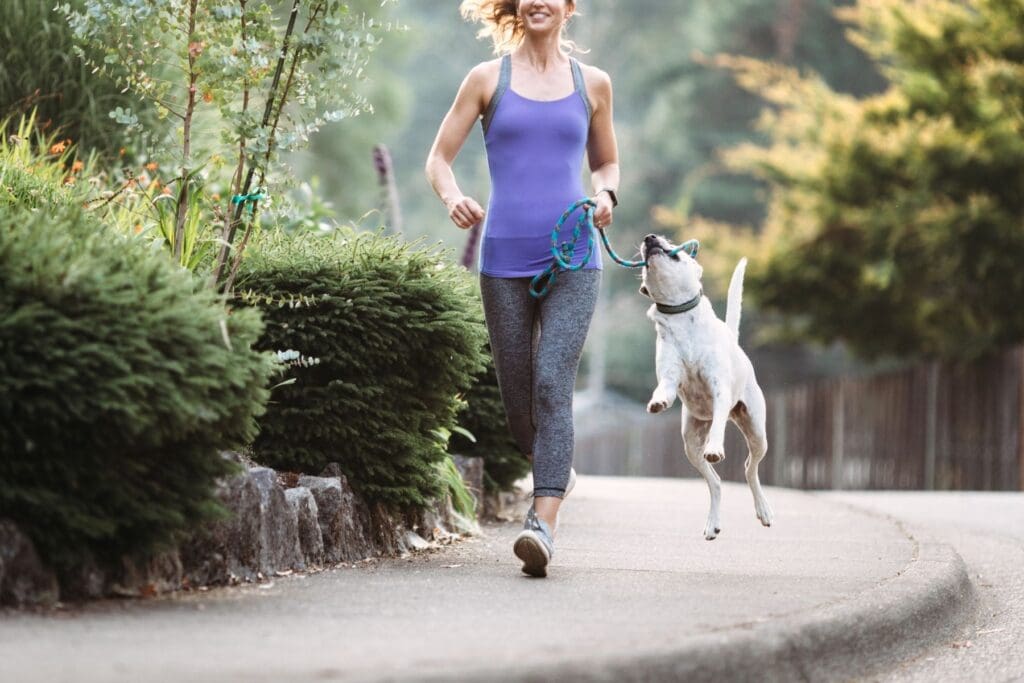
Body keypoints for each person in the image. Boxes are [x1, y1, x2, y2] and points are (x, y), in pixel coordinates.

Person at [425, 0, 619, 578]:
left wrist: (607, 196)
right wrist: (452, 196)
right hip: (504, 259)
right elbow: (439, 158)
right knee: (520, 403)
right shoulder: (487, 80)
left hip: (575, 256)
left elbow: (606, 163)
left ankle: (543, 524)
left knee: (553, 381)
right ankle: (553, 460)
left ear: (567, 8)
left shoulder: (594, 84)